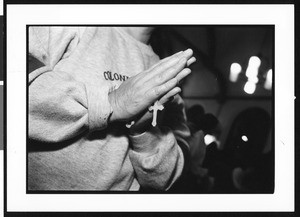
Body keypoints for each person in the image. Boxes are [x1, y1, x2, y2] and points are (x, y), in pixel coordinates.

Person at [28, 26, 196, 191]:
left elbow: (163, 180)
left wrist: (142, 131)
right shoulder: (73, 24)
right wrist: (113, 103)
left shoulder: (166, 75)